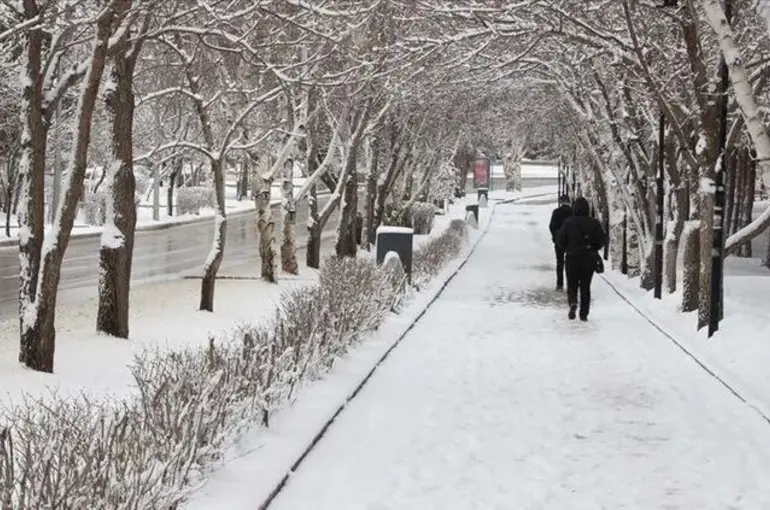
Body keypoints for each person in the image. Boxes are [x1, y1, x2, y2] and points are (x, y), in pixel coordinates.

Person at [556, 197, 606, 321]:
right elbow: (602, 240)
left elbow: (561, 240)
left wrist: (567, 248)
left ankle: (573, 302)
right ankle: (584, 313)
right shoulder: (594, 223)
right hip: (588, 258)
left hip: (572, 257)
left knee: (572, 284)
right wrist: (593, 247)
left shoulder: (568, 222)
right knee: (585, 286)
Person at [548, 194, 573, 291]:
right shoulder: (573, 212)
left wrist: (555, 236)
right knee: (571, 263)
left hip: (559, 240)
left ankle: (560, 284)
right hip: (571, 241)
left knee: (560, 262)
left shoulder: (556, 212)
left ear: (561, 202)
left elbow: (551, 226)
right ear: (569, 202)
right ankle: (571, 284)